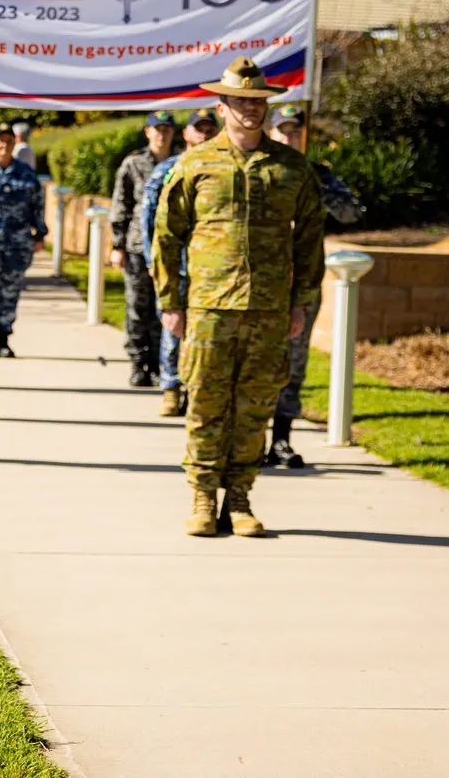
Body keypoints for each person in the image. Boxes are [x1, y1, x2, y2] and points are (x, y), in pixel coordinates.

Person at [153, 58, 325, 538]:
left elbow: (310, 238)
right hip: (209, 305)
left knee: (254, 404)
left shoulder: (292, 168)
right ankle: (203, 497)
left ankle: (241, 498)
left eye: (257, 102)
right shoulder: (196, 163)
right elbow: (167, 235)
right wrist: (171, 300)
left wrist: (301, 302)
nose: (250, 109)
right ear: (222, 104)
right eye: (240, 101)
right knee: (206, 401)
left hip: (268, 308)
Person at [263, 103, 363, 468]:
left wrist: (318, 189)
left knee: (294, 362)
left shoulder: (318, 174)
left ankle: (282, 440)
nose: (289, 136)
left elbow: (351, 213)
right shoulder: (260, 169)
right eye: (283, 129)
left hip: (302, 283)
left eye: (295, 130)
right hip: (261, 284)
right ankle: (252, 440)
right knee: (258, 364)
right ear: (271, 132)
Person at [139, 107, 221, 417]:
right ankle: (171, 389)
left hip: (212, 271)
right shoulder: (169, 170)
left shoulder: (223, 169)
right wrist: (153, 261)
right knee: (174, 328)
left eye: (209, 128)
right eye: (198, 129)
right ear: (185, 134)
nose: (204, 134)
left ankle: (199, 391)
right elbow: (150, 221)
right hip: (177, 265)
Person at [110, 111, 176, 386]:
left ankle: (161, 363)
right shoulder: (134, 163)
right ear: (147, 132)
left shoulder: (181, 162)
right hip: (137, 245)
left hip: (170, 247)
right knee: (137, 307)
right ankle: (138, 362)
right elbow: (121, 204)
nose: (162, 134)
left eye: (166, 130)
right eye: (156, 129)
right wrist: (117, 245)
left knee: (166, 307)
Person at [0, 124, 48, 358]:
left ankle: (4, 339)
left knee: (10, 291)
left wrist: (40, 234)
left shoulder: (26, 174)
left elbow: (37, 205)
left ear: (15, 144)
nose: (4, 145)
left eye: (8, 141)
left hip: (17, 243)